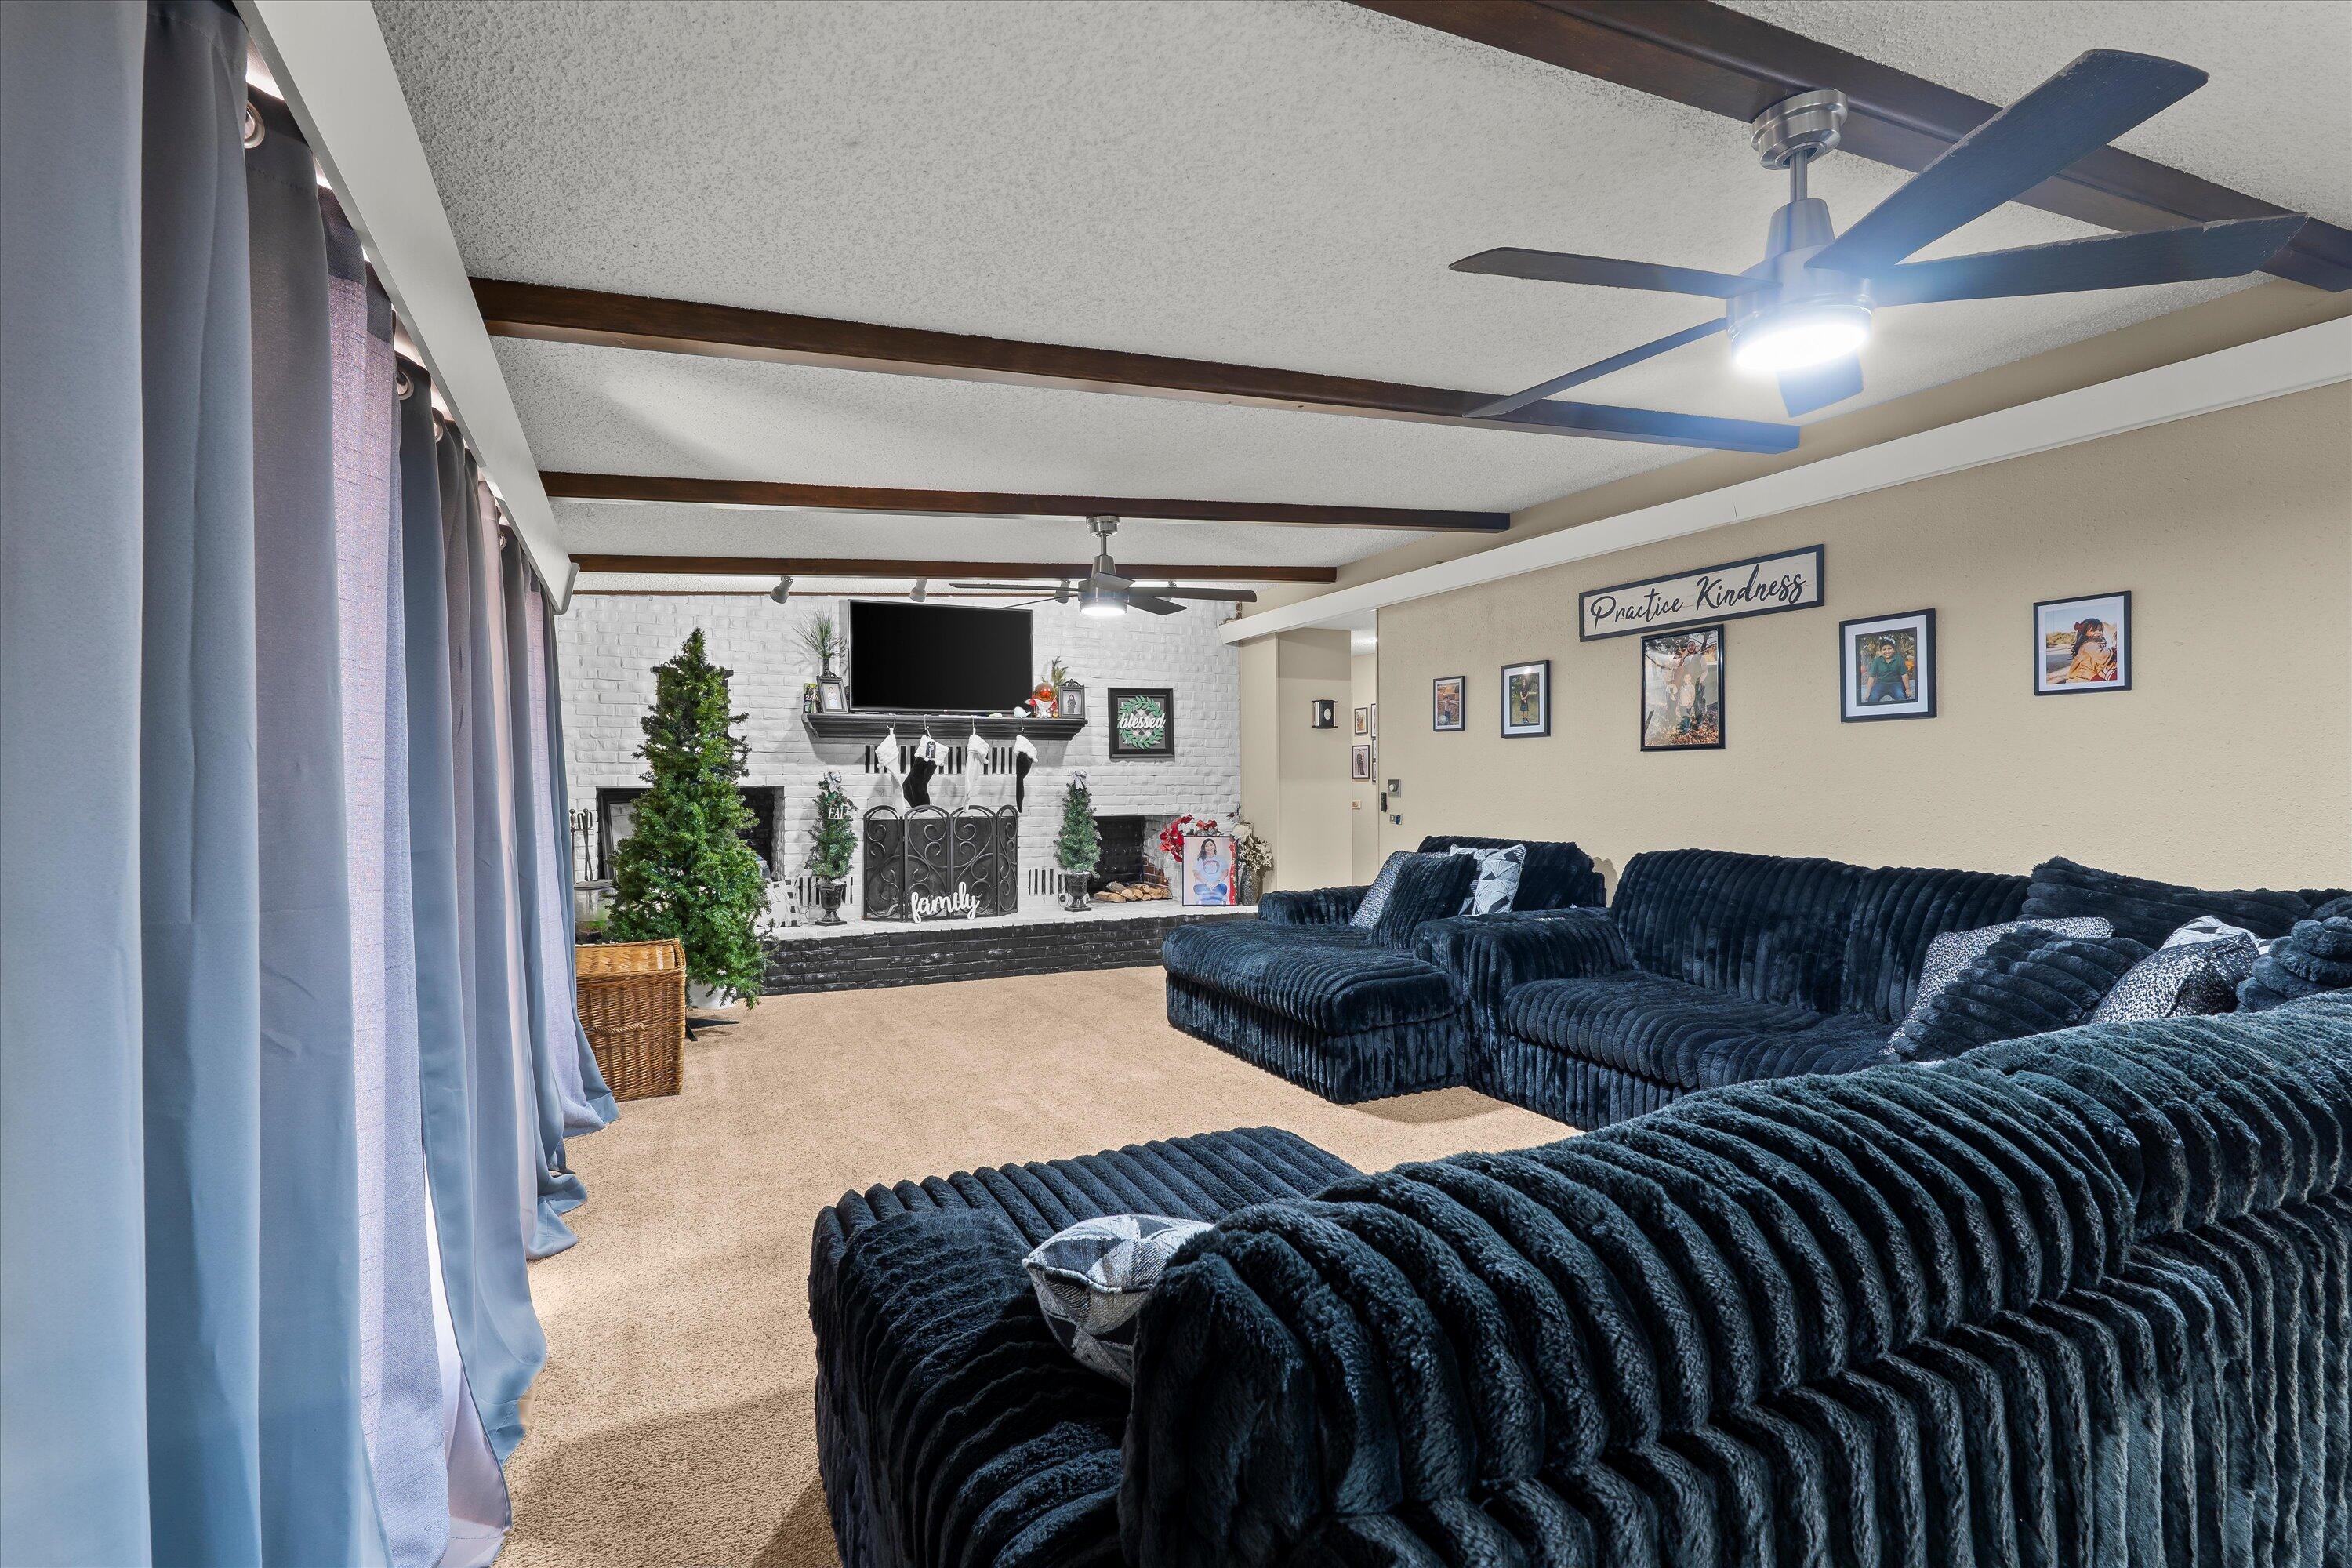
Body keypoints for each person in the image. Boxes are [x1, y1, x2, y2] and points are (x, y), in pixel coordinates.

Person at [2063, 618, 2117, 684]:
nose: (2098, 632)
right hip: (2082, 675)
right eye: (2094, 630)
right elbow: (2100, 656)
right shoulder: (2089, 644)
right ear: (2085, 632)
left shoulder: (2095, 642)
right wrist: (2112, 650)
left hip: (2086, 673)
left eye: (2100, 630)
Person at [1190, 840, 1232, 906]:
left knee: (1223, 887)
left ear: (1215, 846)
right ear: (1204, 848)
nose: (1209, 847)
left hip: (1218, 885)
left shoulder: (1221, 859)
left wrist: (1216, 882)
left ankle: (1204, 896)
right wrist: (1207, 883)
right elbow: (1196, 874)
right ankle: (1216, 895)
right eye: (1206, 845)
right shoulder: (1198, 859)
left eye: (1211, 845)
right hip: (1203, 885)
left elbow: (1225, 873)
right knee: (1198, 888)